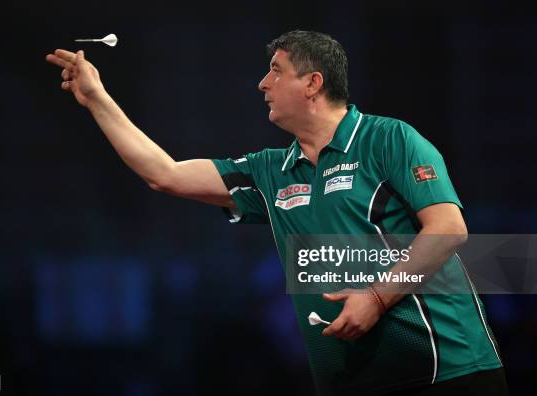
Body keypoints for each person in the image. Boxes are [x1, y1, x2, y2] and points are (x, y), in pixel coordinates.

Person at [46, 30, 508, 395]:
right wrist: (97, 99)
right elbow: (164, 173)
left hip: (446, 371)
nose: (262, 84)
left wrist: (378, 297)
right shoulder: (271, 171)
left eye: (275, 71)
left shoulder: (388, 139)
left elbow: (448, 228)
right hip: (352, 382)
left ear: (312, 82)